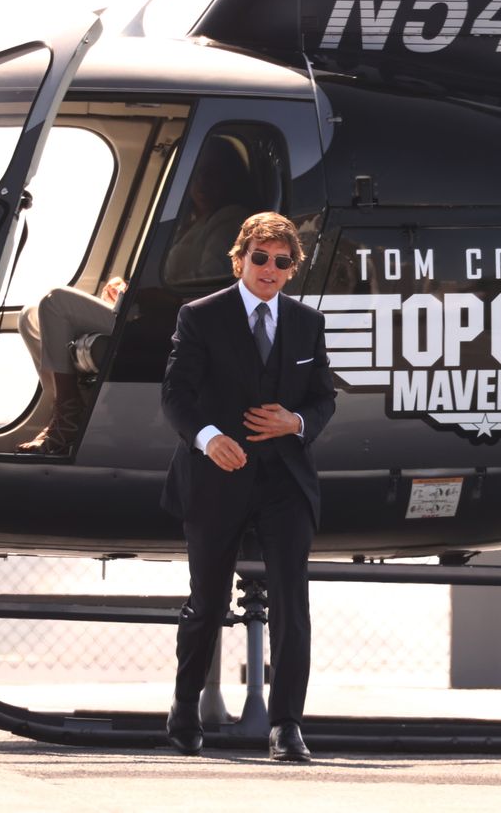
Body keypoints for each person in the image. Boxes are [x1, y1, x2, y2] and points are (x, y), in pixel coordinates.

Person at [159, 211, 336, 762]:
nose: (269, 269)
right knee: (207, 602)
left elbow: (324, 397)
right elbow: (176, 397)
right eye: (260, 258)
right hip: (218, 475)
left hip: (285, 479)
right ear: (239, 261)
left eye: (282, 261)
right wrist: (209, 438)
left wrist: (297, 423)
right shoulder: (200, 316)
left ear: (291, 270)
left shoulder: (307, 323)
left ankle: (286, 725)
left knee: (291, 601)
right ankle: (185, 707)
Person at [16, 275, 126, 454]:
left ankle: (69, 416)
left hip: (157, 322)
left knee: (55, 301)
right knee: (30, 315)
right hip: (132, 307)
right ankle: (61, 411)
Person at [163, 136, 257, 282]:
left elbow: (211, 277)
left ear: (230, 177)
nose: (201, 183)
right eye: (195, 173)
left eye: (211, 174)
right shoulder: (191, 221)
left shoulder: (232, 219)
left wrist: (160, 294)